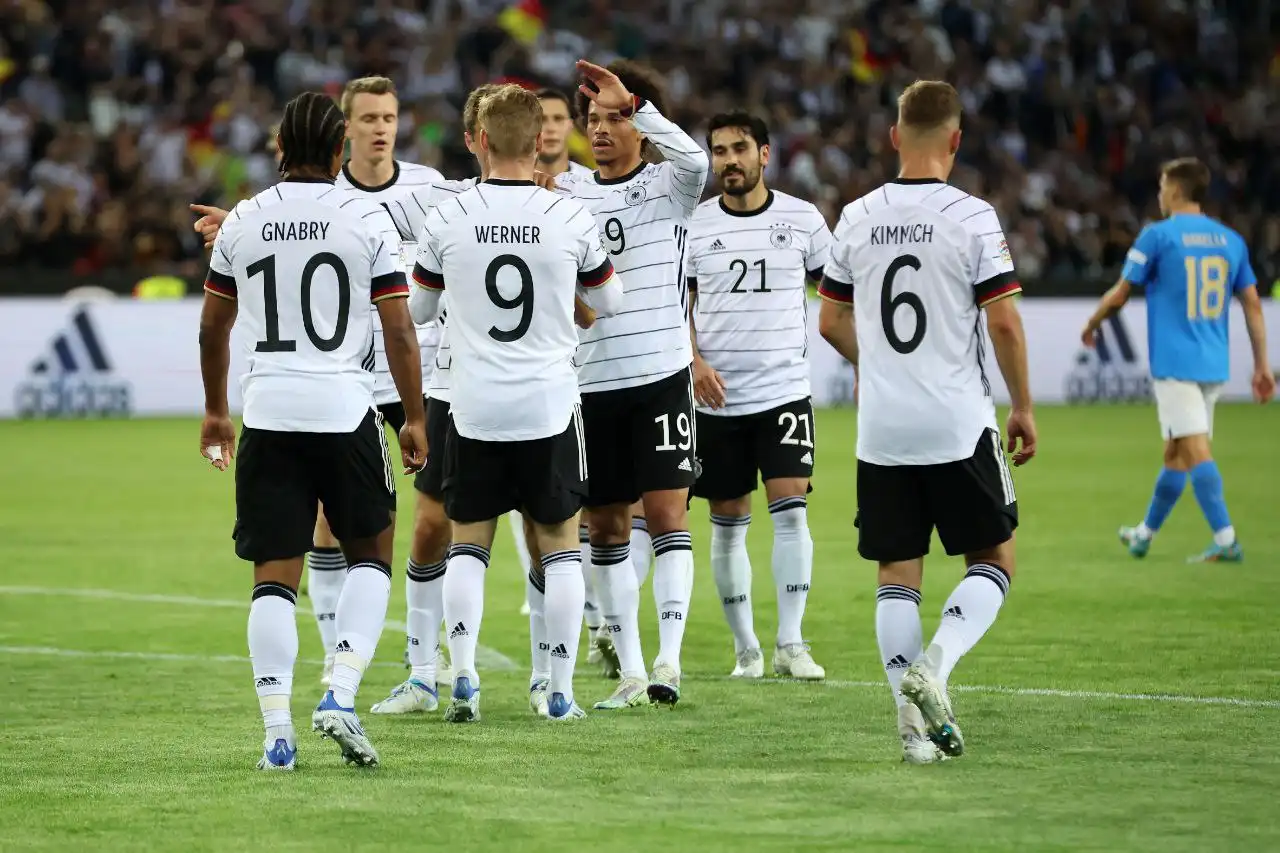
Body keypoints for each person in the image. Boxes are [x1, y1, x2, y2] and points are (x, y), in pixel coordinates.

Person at [191, 76, 449, 688]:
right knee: (373, 552)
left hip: (268, 412)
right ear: (340, 148)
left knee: (273, 577)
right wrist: (415, 418)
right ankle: (342, 690)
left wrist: (216, 412)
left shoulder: (243, 219)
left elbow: (211, 329)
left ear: (279, 146)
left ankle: (277, 726)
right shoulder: (364, 217)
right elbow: (399, 331)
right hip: (343, 408)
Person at [819, 80, 1035, 764]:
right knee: (994, 557)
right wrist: (1023, 405)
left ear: (894, 137)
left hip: (883, 426)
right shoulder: (972, 216)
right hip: (956, 420)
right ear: (956, 140)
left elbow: (830, 321)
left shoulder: (856, 216)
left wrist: (878, 364)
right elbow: (1004, 322)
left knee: (896, 572)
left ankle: (913, 736)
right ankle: (935, 665)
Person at [408, 84, 624, 722]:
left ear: (479, 140)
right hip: (549, 403)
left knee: (468, 544)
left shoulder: (448, 217)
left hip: (473, 403)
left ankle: (463, 675)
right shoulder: (568, 216)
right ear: (540, 142)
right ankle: (559, 691)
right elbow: (609, 303)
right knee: (558, 544)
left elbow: (419, 310)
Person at [556, 59, 709, 709]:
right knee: (607, 528)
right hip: (592, 383)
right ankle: (633, 671)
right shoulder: (567, 193)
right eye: (593, 119)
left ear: (642, 127)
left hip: (661, 376)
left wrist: (637, 104)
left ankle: (669, 660)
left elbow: (697, 160)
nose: (601, 129)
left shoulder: (672, 185)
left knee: (669, 516)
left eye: (614, 119)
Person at [685, 111, 830, 681]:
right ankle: (746, 648)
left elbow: (838, 291)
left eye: (740, 148)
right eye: (719, 151)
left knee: (791, 508)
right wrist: (694, 362)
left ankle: (791, 642)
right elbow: (676, 305)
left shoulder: (803, 219)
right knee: (728, 520)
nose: (729, 161)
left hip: (783, 391)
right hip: (717, 401)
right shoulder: (694, 224)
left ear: (764, 154)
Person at [1081, 157, 1274, 562]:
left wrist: (1093, 323)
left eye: (1162, 187)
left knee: (1196, 451)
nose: (1159, 194)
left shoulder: (1157, 236)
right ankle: (1144, 534)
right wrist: (1261, 364)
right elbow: (1253, 305)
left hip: (1175, 363)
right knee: (1177, 452)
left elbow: (1120, 294)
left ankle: (1226, 540)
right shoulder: (1231, 240)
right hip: (1212, 363)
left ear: (1175, 190)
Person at [536, 87, 594, 178]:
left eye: (558, 119)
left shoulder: (592, 182)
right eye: (541, 120)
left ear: (570, 126)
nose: (551, 128)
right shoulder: (512, 182)